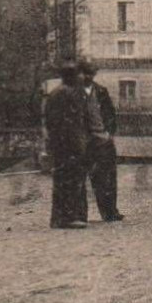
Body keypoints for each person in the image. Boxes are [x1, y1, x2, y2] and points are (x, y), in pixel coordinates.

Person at [42, 63, 92, 229]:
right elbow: (72, 123)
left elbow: (50, 121)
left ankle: (61, 217)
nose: (82, 77)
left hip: (62, 144)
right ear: (72, 76)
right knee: (71, 179)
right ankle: (70, 217)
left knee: (63, 180)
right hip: (69, 144)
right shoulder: (69, 94)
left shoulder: (56, 93)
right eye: (79, 74)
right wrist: (79, 143)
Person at [81, 59, 123, 222]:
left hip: (103, 141)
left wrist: (109, 133)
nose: (88, 76)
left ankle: (110, 212)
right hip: (84, 142)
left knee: (107, 178)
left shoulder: (101, 91)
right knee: (81, 179)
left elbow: (110, 114)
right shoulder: (74, 93)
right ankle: (79, 215)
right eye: (85, 73)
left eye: (91, 73)